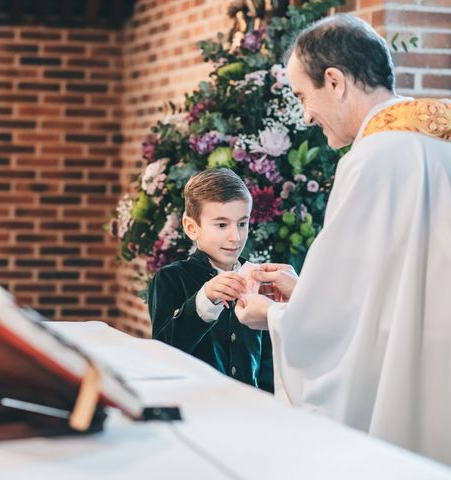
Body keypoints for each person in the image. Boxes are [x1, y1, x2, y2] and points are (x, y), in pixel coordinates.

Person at [234, 13, 451, 464]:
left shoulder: (372, 159)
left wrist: (273, 315)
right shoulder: (436, 143)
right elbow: (405, 285)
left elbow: (330, 330)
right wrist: (306, 294)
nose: (306, 114)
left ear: (334, 81)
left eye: (302, 96)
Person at [148, 168, 274, 392]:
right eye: (222, 225)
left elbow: (267, 366)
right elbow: (163, 352)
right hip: (195, 409)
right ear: (191, 227)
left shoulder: (259, 281)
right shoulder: (170, 279)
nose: (235, 237)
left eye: (242, 223)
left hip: (251, 413)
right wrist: (204, 299)